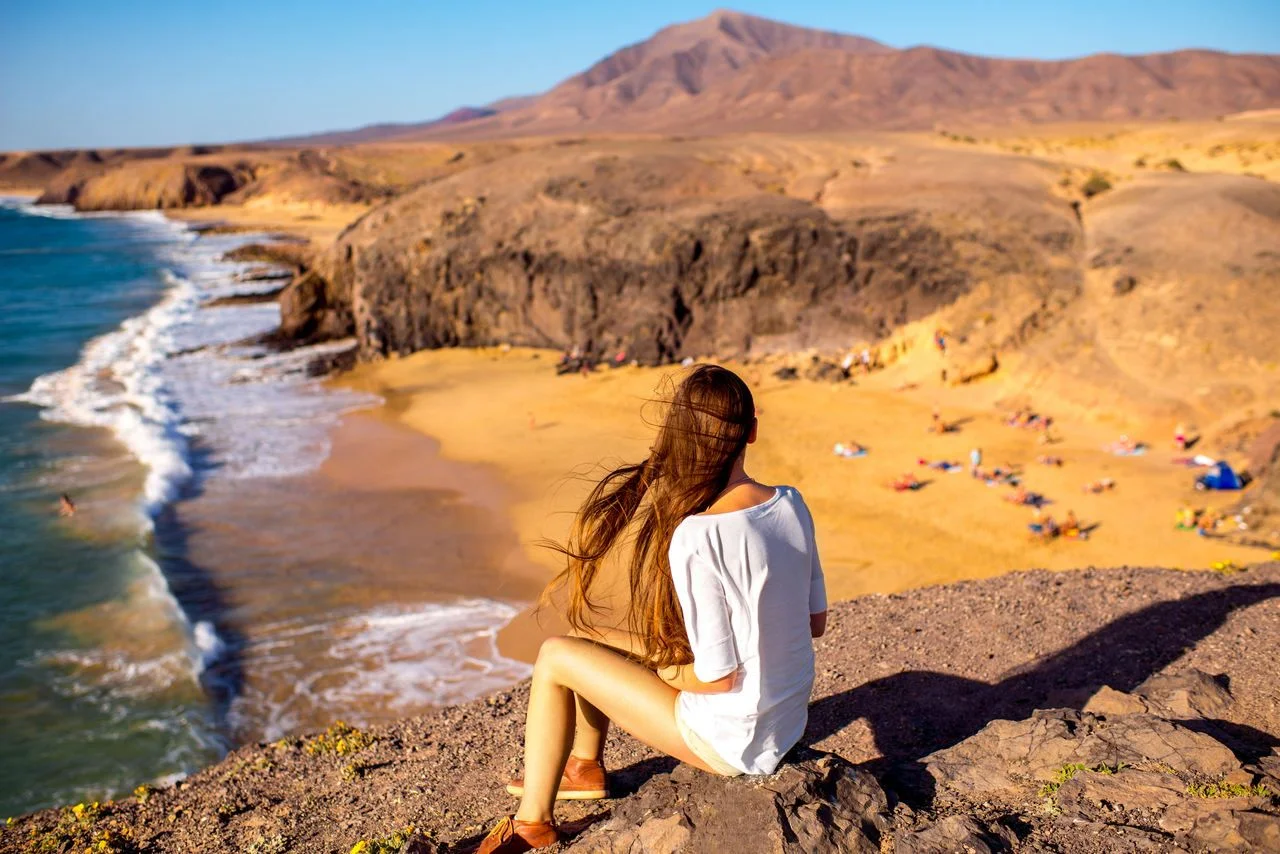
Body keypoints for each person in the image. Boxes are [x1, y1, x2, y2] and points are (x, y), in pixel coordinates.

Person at [478, 365, 827, 853]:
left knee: (557, 655)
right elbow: (815, 624)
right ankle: (583, 767)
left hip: (732, 740)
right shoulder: (792, 503)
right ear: (752, 429)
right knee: (601, 644)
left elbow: (717, 679)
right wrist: (647, 652)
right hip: (786, 722)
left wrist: (661, 665)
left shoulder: (698, 536)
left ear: (680, 440)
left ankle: (532, 822)